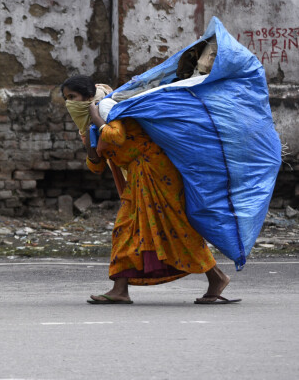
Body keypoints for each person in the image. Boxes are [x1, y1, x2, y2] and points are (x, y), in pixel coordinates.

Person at [61, 75, 241, 305]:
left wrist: (98, 120)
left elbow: (117, 136)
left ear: (87, 96)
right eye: (66, 99)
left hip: (156, 170)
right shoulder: (87, 125)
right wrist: (89, 146)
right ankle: (120, 289)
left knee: (175, 225)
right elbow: (96, 166)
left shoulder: (106, 107)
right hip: (138, 176)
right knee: (126, 229)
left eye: (73, 97)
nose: (70, 103)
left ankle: (216, 277)